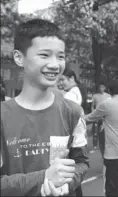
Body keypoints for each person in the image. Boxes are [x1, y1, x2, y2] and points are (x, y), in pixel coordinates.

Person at [0, 19, 89, 196]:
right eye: (44, 55)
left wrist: (67, 184)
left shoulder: (73, 112)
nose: (55, 64)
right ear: (19, 58)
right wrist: (43, 178)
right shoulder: (3, 115)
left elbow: (81, 162)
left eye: (61, 56)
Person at [85, 77, 118, 197]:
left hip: (112, 155)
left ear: (110, 91)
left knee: (112, 189)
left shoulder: (106, 104)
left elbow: (88, 118)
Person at [91, 81, 111, 152]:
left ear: (105, 88)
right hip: (97, 115)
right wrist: (93, 114)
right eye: (100, 87)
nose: (101, 88)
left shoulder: (108, 96)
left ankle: (105, 145)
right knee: (95, 132)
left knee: (105, 131)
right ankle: (95, 146)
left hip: (105, 117)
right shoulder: (95, 96)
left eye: (102, 87)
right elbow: (92, 106)